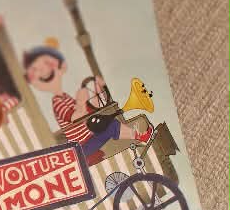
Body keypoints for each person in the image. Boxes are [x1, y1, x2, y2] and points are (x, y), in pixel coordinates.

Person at [23, 38, 152, 165]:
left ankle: (140, 136)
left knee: (110, 124)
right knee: (111, 126)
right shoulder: (57, 102)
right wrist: (81, 101)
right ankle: (141, 136)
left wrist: (97, 89)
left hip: (88, 139)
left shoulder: (65, 97)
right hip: (81, 147)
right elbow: (75, 117)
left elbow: (91, 111)